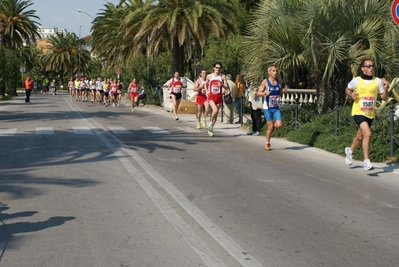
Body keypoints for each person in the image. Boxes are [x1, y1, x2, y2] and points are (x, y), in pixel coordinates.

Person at [344, 59, 389, 171]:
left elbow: (384, 98)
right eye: (368, 66)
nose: (371, 68)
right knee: (368, 133)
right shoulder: (356, 81)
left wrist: (386, 88)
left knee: (360, 136)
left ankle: (350, 151)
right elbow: (347, 89)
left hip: (370, 113)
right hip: (358, 111)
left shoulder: (377, 81)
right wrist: (351, 94)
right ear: (362, 68)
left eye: (372, 66)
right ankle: (366, 161)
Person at [257, 65, 288, 150]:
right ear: (269, 72)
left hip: (276, 107)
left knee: (279, 125)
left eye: (276, 71)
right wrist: (264, 93)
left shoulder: (279, 81)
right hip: (267, 107)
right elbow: (258, 93)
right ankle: (267, 143)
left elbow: (282, 89)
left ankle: (272, 128)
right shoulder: (265, 82)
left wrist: (284, 91)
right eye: (273, 71)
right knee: (270, 127)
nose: (275, 73)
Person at [206, 62, 229, 136]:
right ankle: (210, 123)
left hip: (219, 96)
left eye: (219, 68)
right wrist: (206, 91)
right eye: (216, 67)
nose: (218, 69)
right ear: (214, 68)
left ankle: (211, 129)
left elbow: (227, 87)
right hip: (211, 96)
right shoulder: (209, 76)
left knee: (215, 115)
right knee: (215, 110)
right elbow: (205, 84)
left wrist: (222, 85)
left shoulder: (222, 76)